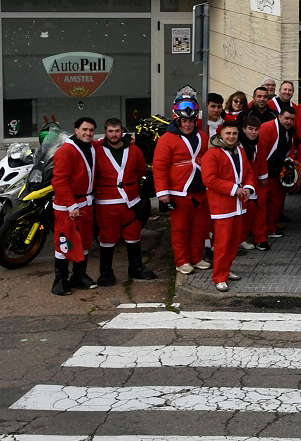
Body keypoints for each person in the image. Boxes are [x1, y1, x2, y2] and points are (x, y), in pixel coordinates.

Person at [93, 118, 156, 287]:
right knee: (107, 237)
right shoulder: (97, 149)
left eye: (117, 131)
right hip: (106, 203)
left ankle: (136, 268)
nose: (114, 135)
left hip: (131, 201)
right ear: (105, 133)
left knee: (133, 234)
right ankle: (106, 273)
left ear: (122, 132)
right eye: (110, 131)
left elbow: (140, 170)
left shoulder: (134, 150)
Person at [153, 96, 211, 274]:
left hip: (201, 191)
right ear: (177, 120)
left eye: (191, 121)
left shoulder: (202, 136)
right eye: (184, 121)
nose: (187, 125)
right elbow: (159, 167)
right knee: (180, 229)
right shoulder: (166, 139)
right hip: (178, 192)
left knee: (200, 228)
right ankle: (181, 261)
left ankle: (196, 258)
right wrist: (163, 193)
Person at [201, 119, 255, 292]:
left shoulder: (239, 150)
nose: (231, 136)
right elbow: (209, 180)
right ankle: (219, 276)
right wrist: (235, 189)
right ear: (221, 134)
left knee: (234, 242)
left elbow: (248, 172)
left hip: (238, 204)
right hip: (222, 206)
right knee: (223, 243)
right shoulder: (212, 154)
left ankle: (226, 269)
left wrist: (248, 188)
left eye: (234, 133)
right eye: (228, 133)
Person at [52, 116, 98, 295]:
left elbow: (104, 142)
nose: (88, 133)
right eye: (84, 130)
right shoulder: (66, 151)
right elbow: (59, 181)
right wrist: (71, 205)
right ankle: (60, 280)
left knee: (85, 241)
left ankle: (79, 276)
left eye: (91, 130)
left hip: (86, 203)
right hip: (68, 206)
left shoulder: (92, 146)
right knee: (65, 243)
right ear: (76, 130)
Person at [256, 107, 295, 238]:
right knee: (264, 204)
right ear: (279, 117)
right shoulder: (267, 128)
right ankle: (263, 232)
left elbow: (290, 149)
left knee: (276, 202)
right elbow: (261, 153)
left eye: (292, 119)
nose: (289, 121)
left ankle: (271, 227)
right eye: (286, 118)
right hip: (266, 172)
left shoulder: (289, 131)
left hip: (279, 172)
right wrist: (262, 175)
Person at [237, 116, 266, 250]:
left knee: (250, 211)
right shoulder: (238, 144)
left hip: (251, 181)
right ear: (243, 129)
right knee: (240, 213)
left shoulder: (257, 143)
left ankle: (243, 238)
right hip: (239, 183)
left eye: (256, 129)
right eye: (250, 129)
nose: (253, 132)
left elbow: (259, 161)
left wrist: (261, 177)